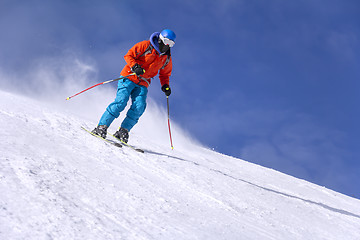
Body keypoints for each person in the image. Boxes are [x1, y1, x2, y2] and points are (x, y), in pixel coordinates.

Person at [91, 29, 176, 143]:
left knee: (139, 106)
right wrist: (135, 66)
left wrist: (165, 85)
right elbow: (129, 55)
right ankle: (101, 127)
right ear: (160, 39)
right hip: (129, 77)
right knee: (121, 102)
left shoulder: (166, 58)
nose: (167, 45)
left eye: (171, 44)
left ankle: (123, 131)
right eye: (166, 41)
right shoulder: (146, 46)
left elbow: (165, 74)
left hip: (143, 83)